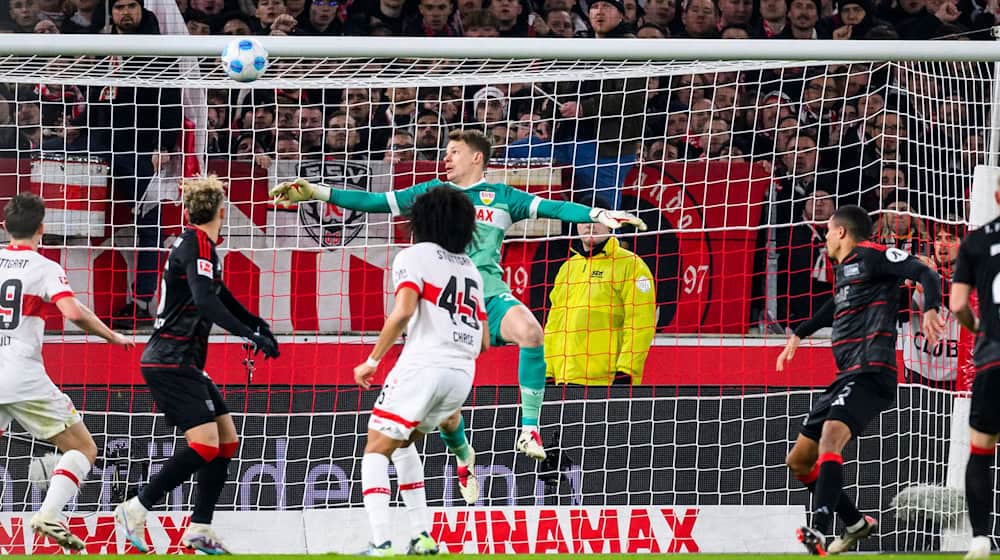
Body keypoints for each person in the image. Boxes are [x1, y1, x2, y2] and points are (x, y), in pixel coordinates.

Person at [270, 129, 645, 461]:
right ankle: (461, 455)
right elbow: (375, 202)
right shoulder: (434, 195)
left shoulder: (502, 196)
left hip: (490, 294)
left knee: (532, 333)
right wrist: (316, 191)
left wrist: (598, 213)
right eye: (446, 152)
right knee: (436, 407)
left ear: (476, 157)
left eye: (453, 152)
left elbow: (554, 207)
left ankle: (529, 429)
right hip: (446, 305)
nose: (446, 158)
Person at [114, 176, 280, 554]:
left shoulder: (198, 245)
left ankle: (200, 528)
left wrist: (257, 325)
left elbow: (218, 294)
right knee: (205, 446)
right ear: (223, 212)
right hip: (169, 361)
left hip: (184, 362)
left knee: (225, 441)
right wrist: (248, 335)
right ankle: (136, 507)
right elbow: (206, 302)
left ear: (187, 211)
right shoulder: (196, 246)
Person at [775, 205, 943, 555]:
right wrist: (799, 334)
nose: (824, 239)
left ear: (840, 232)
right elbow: (835, 305)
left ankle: (818, 529)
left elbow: (925, 273)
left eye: (827, 231)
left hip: (872, 370)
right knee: (799, 461)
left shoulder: (875, 255)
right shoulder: (847, 270)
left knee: (831, 437)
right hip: (846, 376)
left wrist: (930, 309)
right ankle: (854, 523)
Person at [355, 186, 487, 556]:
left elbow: (403, 310)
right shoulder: (470, 267)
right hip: (462, 374)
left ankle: (380, 542)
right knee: (402, 443)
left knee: (376, 450)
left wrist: (372, 360)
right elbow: (485, 337)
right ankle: (422, 536)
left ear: (421, 220)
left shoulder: (413, 256)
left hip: (424, 364)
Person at [0, 193, 134, 550]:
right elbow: (73, 313)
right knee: (83, 448)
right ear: (42, 229)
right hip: (23, 376)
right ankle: (48, 514)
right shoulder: (44, 267)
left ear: (4, 227)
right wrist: (111, 335)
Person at [544, 200, 657, 385]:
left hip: (606, 382)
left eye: (597, 219)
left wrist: (627, 370)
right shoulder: (568, 268)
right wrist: (547, 370)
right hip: (563, 381)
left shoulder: (631, 265)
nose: (590, 225)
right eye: (584, 219)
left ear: (611, 222)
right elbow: (553, 325)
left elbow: (641, 323)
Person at [948, 203, 1000, 560]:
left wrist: (977, 328)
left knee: (981, 451)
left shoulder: (976, 241)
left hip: (994, 359)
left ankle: (980, 538)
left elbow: (957, 305)